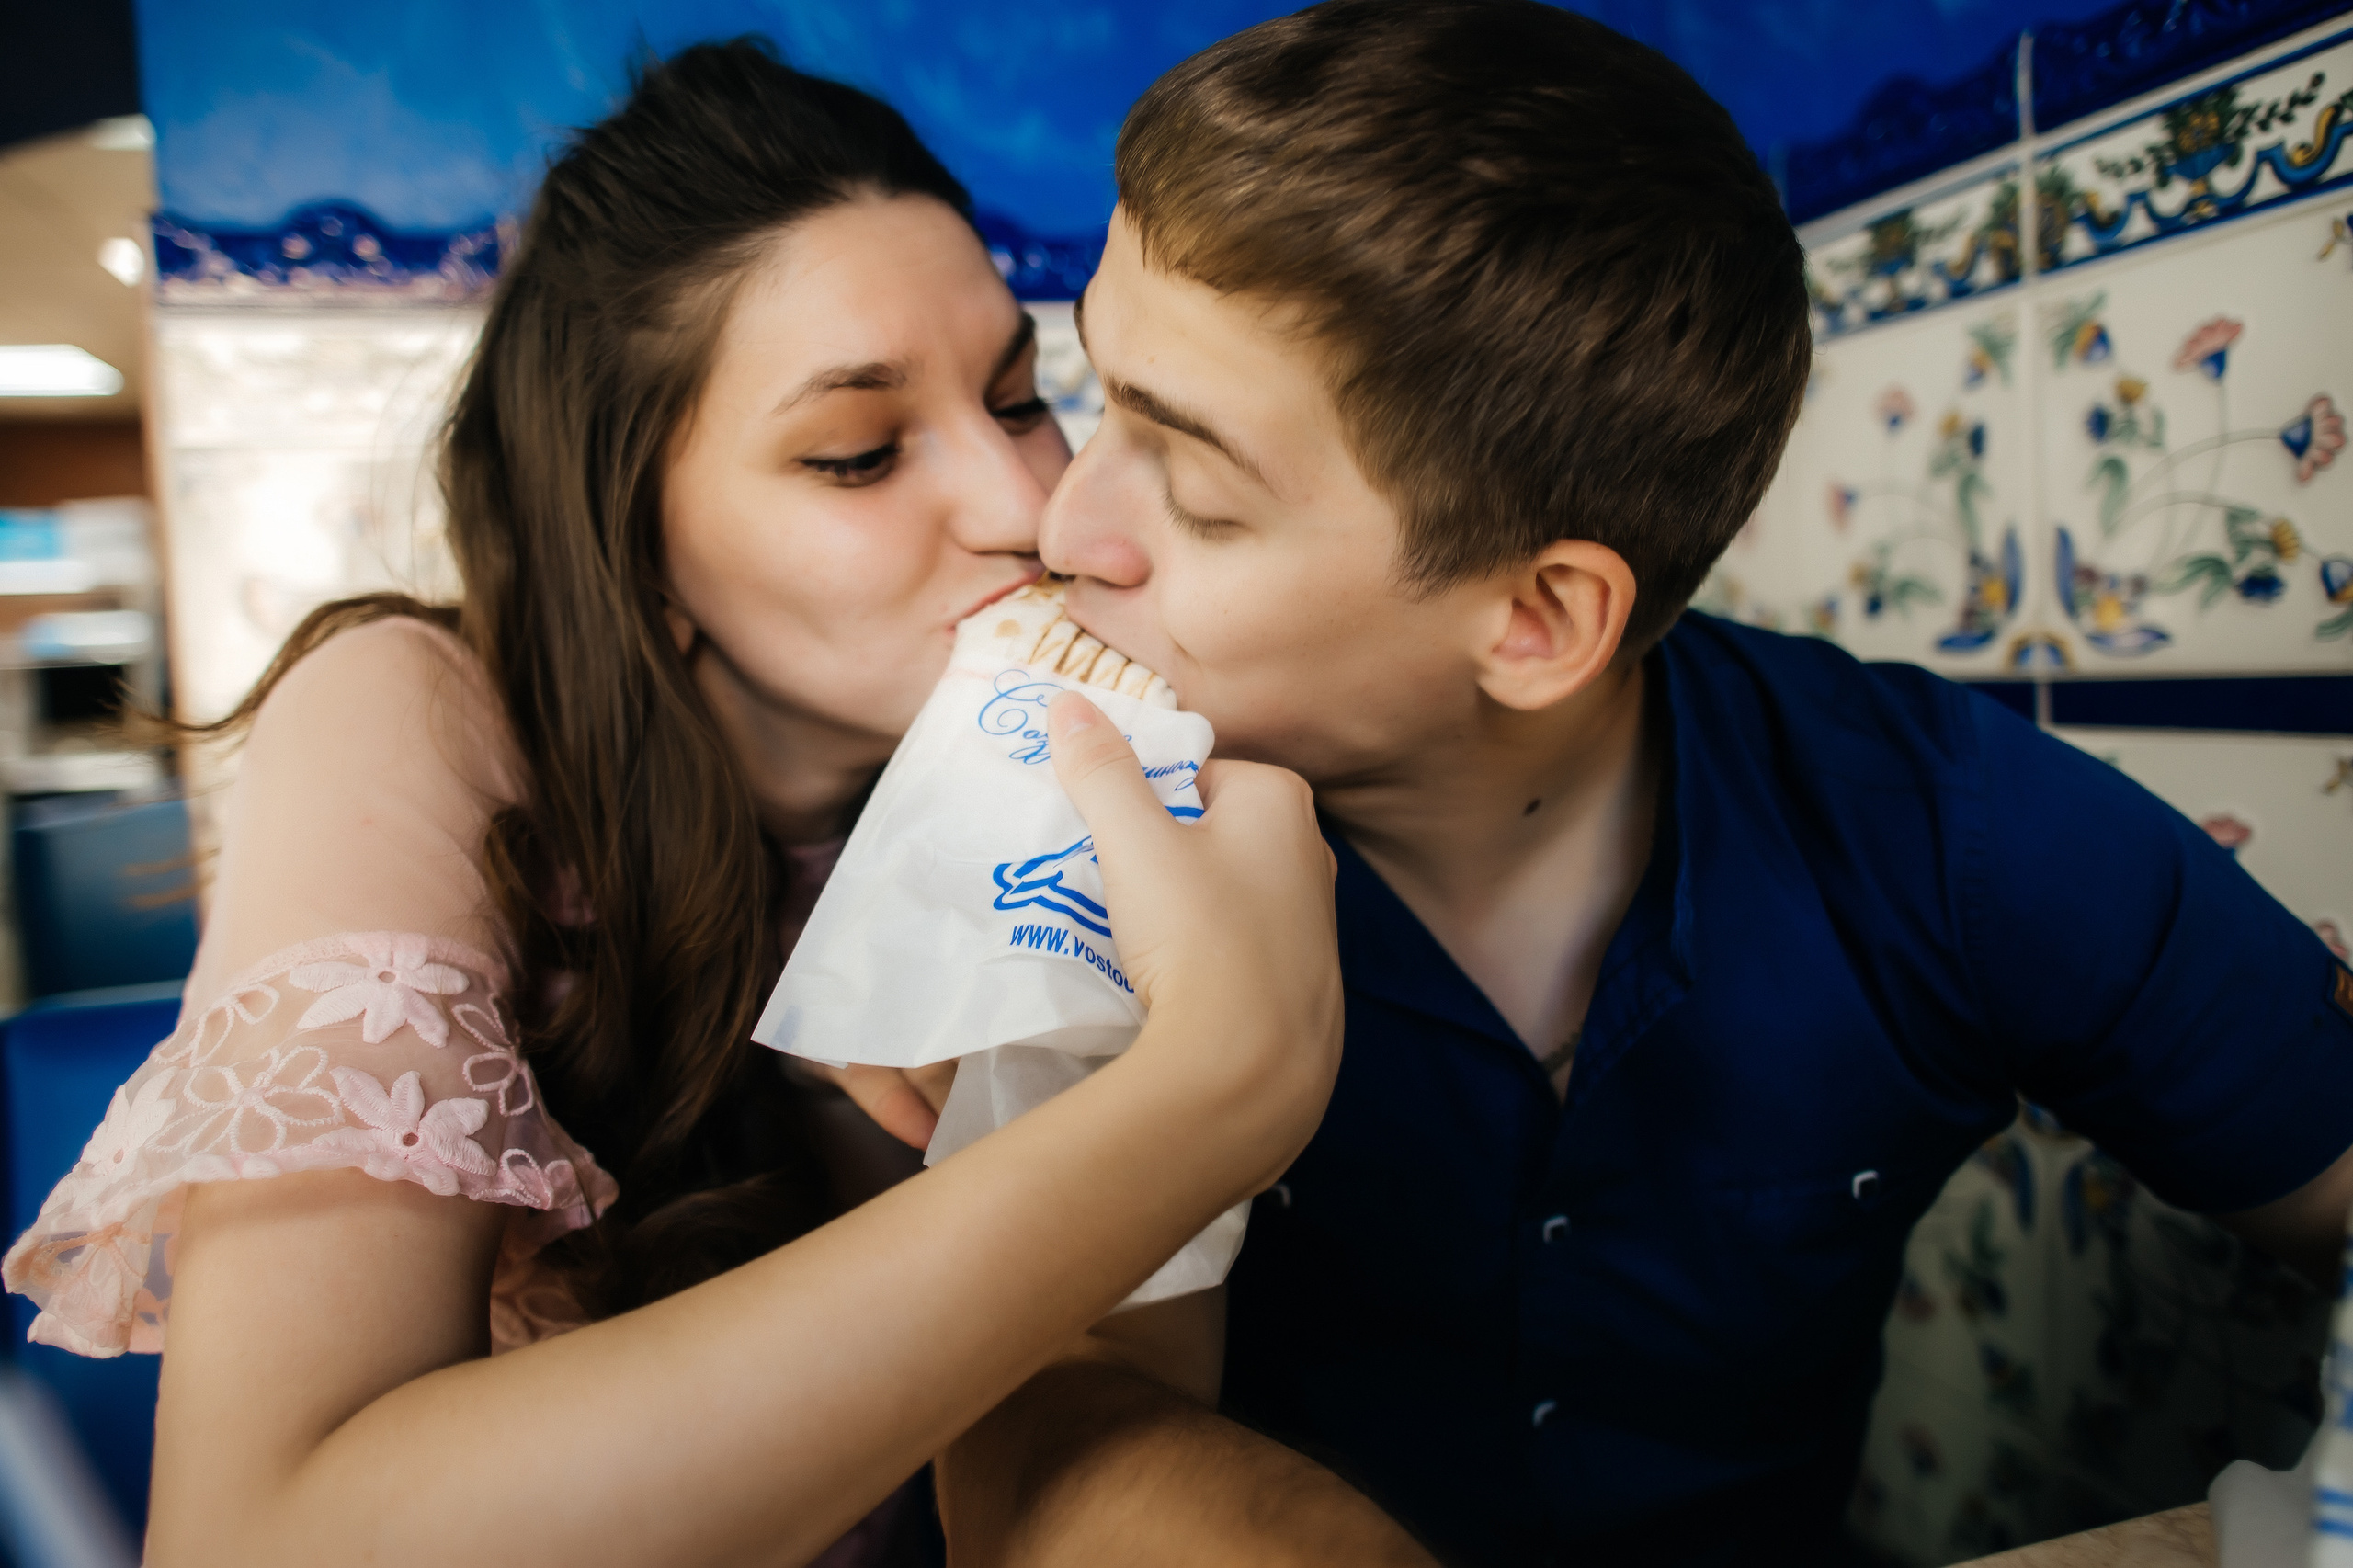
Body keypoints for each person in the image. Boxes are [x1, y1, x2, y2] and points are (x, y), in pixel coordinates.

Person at [831, 5, 2353, 1564]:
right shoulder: (1063, 834)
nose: (1062, 526)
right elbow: (1057, 1426)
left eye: (1201, 493)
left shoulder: (1949, 830)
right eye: (1099, 403)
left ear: (1537, 620)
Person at [1, 40, 1365, 1568]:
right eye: (857, 455)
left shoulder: (1061, 767)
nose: (1022, 505)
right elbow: (265, 1539)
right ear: (632, 541)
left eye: (1018, 394)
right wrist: (1203, 1098)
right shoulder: (427, 708)